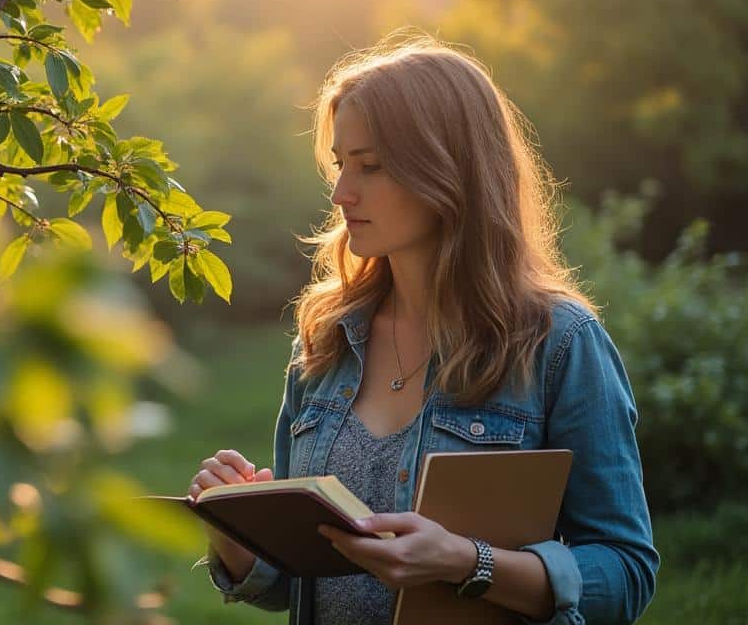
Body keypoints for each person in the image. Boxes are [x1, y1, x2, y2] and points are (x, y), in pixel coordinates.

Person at [189, 35, 659, 625]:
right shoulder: (327, 339)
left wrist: (466, 564)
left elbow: (625, 573)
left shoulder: (557, 343)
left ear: (447, 169)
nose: (340, 194)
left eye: (371, 166)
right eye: (340, 164)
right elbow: (298, 577)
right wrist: (237, 534)